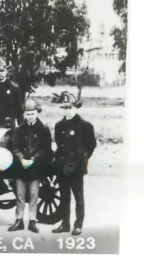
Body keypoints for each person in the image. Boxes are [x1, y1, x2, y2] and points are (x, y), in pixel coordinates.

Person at [52, 92, 96, 236]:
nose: (67, 110)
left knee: (78, 196)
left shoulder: (85, 126)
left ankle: (78, 225)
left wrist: (83, 158)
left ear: (75, 107)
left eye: (69, 107)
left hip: (77, 166)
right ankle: (65, 224)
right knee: (64, 197)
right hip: (62, 166)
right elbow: (59, 144)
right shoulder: (59, 126)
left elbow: (91, 145)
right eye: (64, 108)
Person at [8, 98, 53, 233]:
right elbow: (14, 147)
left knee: (34, 195)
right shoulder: (18, 129)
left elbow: (45, 149)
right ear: (24, 115)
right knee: (20, 196)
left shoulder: (44, 129)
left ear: (37, 113)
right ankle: (19, 221)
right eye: (27, 114)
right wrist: (22, 159)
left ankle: (32, 221)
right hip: (21, 168)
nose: (30, 116)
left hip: (35, 168)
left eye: (32, 113)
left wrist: (33, 160)